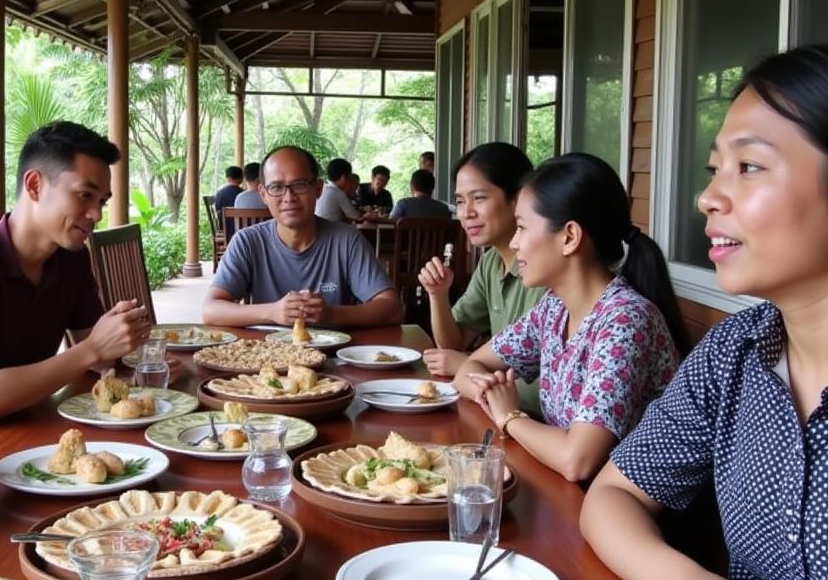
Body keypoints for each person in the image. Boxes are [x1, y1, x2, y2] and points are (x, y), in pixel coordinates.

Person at [580, 44, 828, 580]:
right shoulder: (735, 353)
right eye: (716, 168)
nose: (706, 197)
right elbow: (613, 494)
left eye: (749, 167)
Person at [0, 122, 167, 441]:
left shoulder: (70, 258)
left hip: (25, 426)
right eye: (84, 195)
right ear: (35, 185)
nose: (96, 214)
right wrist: (91, 349)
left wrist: (129, 346)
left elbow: (100, 356)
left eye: (102, 201)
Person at [454, 152, 687, 483]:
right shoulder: (554, 308)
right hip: (569, 494)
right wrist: (490, 391)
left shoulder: (626, 320)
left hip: (631, 515)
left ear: (569, 237)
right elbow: (469, 369)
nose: (515, 242)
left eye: (521, 227)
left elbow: (577, 460)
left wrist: (509, 415)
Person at [202, 146, 403, 328]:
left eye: (299, 185)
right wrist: (272, 312)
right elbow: (211, 310)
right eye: (276, 187)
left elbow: (392, 309)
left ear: (318, 188)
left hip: (335, 361)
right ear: (263, 194)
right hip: (265, 360)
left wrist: (332, 314)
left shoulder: (347, 240)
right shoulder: (247, 242)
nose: (289, 197)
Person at [418, 144, 545, 418]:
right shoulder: (490, 262)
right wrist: (438, 294)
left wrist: (469, 367)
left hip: (540, 425)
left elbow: (553, 385)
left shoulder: (546, 272)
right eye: (461, 201)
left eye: (479, 198)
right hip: (505, 416)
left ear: (517, 200)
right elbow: (452, 343)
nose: (466, 213)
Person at [316, 158, 361, 222]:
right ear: (343, 178)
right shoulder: (337, 192)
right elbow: (355, 215)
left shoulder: (323, 188)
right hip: (330, 229)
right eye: (349, 177)